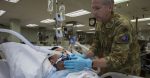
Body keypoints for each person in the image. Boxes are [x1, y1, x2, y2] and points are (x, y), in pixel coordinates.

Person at [64, 0, 141, 76]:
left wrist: (90, 63)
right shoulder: (99, 24)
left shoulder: (122, 26)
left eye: (97, 8)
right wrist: (84, 56)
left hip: (126, 71)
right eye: (93, 8)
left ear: (110, 7)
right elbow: (96, 45)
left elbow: (118, 59)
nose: (94, 12)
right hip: (108, 68)